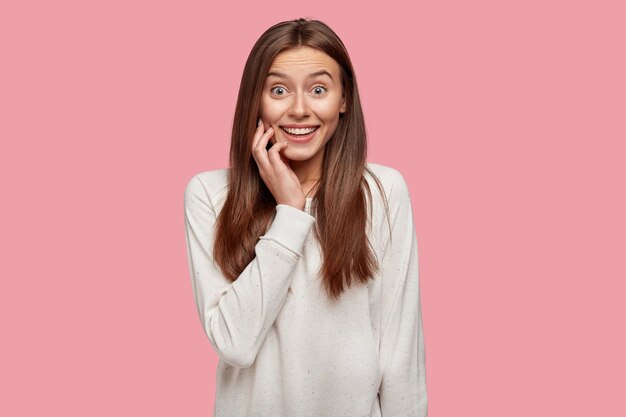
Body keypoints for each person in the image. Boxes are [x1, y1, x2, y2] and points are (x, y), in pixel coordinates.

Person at [184, 17, 427, 416]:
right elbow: (234, 343)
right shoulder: (210, 195)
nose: (299, 109)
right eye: (278, 90)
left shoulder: (383, 192)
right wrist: (290, 214)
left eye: (318, 89)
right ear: (255, 100)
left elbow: (401, 353)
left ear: (343, 99)